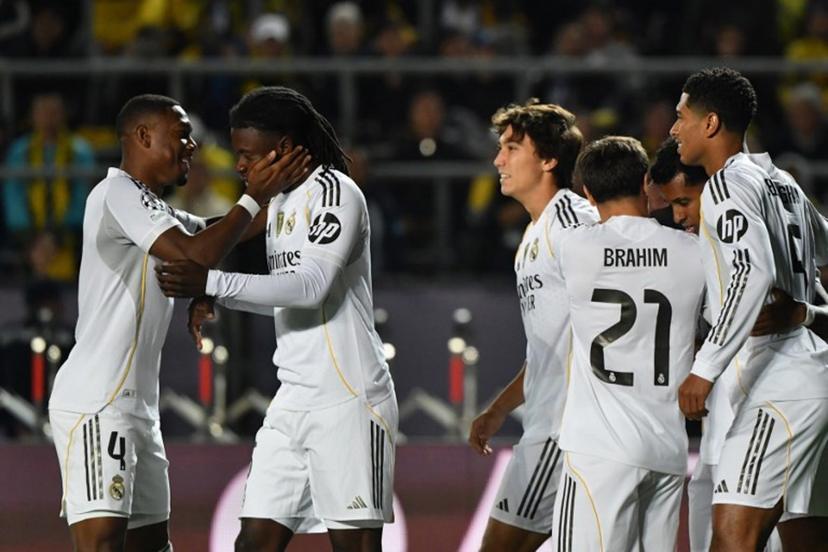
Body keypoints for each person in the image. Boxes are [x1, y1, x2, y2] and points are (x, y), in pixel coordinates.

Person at [47, 93, 310, 552]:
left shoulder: (155, 209)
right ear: (144, 137)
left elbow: (221, 230)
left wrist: (296, 186)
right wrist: (252, 200)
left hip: (137, 410)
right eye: (182, 135)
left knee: (152, 546)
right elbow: (196, 253)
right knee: (102, 545)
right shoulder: (116, 192)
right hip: (97, 402)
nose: (191, 146)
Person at [155, 86, 397, 552]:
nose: (239, 166)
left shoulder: (335, 193)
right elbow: (286, 298)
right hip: (293, 401)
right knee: (252, 544)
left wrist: (211, 284)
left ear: (283, 148)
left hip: (347, 399)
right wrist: (220, 295)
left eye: (247, 154)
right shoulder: (282, 204)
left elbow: (310, 287)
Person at [672, 67, 828, 551]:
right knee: (805, 541)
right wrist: (810, 311)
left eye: (682, 117)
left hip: (777, 383)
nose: (675, 129)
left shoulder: (726, 185)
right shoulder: (781, 182)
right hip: (808, 373)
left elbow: (751, 272)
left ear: (711, 124)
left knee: (733, 541)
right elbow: (822, 246)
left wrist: (705, 366)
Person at [548, 136, 706, 551]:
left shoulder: (573, 247)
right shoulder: (693, 252)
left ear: (587, 193)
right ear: (646, 184)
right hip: (668, 448)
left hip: (600, 449)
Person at [466, 100, 596, 551]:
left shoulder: (572, 221)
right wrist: (500, 408)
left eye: (511, 147)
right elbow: (550, 345)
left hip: (562, 432)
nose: (498, 160)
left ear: (549, 159)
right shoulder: (535, 233)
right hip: (549, 423)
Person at [3, 92, 95, 281]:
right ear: (32, 116)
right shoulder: (19, 152)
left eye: (54, 112)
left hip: (70, 232)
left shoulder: (80, 151)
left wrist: (56, 236)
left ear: (63, 115)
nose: (48, 118)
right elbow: (13, 198)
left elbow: (84, 198)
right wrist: (32, 238)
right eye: (42, 112)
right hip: (27, 234)